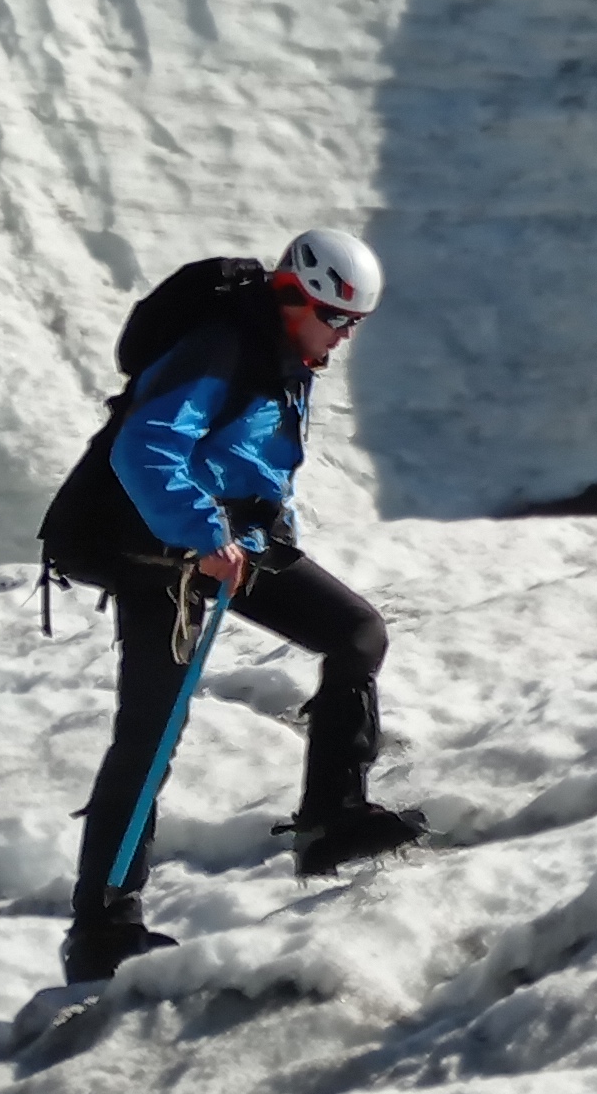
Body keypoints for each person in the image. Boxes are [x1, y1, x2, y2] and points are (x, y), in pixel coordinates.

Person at [37, 229, 421, 981]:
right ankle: (103, 932)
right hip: (168, 559)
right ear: (298, 297)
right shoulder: (224, 345)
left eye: (353, 325)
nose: (342, 338)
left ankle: (332, 819)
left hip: (230, 543)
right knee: (149, 736)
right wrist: (203, 533)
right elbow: (146, 446)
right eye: (338, 319)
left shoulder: (280, 349)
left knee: (355, 632)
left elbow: (245, 455)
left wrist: (261, 528)